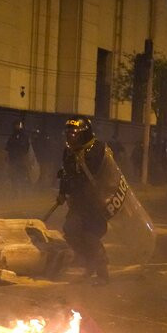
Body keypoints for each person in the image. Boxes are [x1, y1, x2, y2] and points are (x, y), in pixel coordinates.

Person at [57, 117, 110, 284]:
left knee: (90, 236)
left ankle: (103, 274)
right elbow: (65, 174)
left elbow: (98, 173)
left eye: (74, 134)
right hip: (78, 202)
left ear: (83, 134)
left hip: (95, 203)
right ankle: (89, 262)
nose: (70, 138)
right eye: (68, 134)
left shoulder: (97, 149)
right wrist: (62, 192)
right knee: (70, 230)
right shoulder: (69, 151)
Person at [5, 119, 31, 194]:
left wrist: (24, 157)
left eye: (18, 125)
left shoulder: (24, 137)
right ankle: (15, 191)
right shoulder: (12, 137)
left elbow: (27, 148)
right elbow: (8, 148)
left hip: (21, 159)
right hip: (13, 159)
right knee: (13, 176)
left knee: (21, 176)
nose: (17, 127)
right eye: (16, 125)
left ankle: (22, 191)